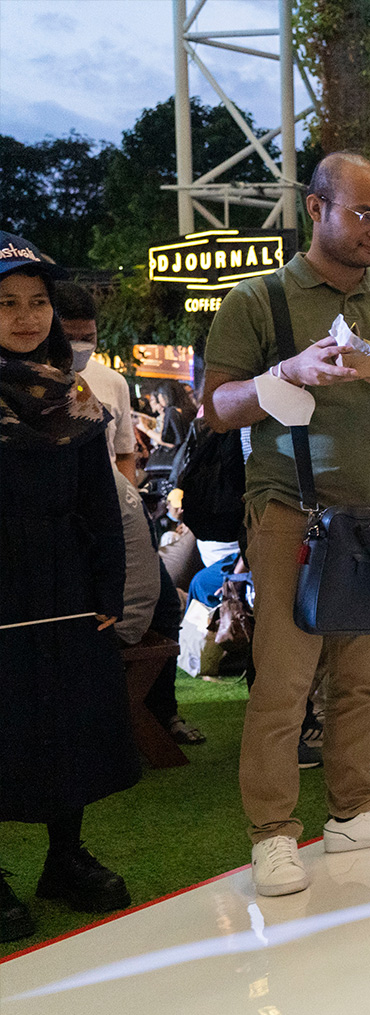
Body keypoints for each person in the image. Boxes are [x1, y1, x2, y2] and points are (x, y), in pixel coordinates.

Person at [203, 151, 370, 897]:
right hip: (294, 509)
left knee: (363, 679)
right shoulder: (262, 300)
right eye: (363, 214)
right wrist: (287, 373)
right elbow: (216, 408)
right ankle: (273, 833)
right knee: (285, 682)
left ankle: (353, 808)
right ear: (316, 208)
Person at [0, 232, 142, 941]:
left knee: (66, 720)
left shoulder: (76, 399)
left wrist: (108, 591)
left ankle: (65, 857)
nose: (27, 317)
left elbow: (100, 505)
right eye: (7, 303)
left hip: (66, 582)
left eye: (38, 302)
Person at [55, 282, 139, 485]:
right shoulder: (31, 379)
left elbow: (124, 454)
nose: (79, 346)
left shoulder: (114, 383)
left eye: (87, 338)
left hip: (102, 501)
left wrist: (128, 501)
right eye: (69, 338)